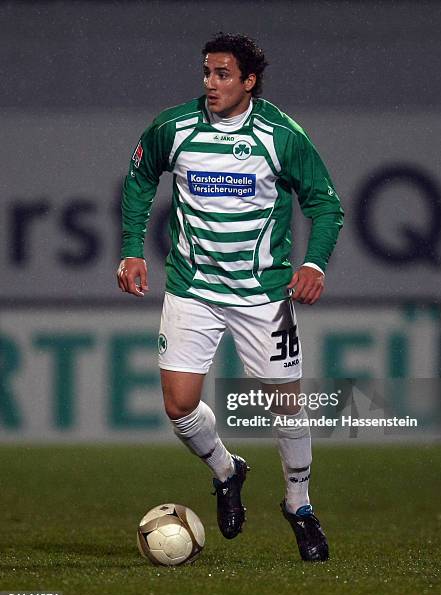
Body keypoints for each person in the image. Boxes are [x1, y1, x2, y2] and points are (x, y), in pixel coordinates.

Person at [117, 32, 343, 562]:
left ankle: (299, 505)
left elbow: (326, 204)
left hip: (263, 292)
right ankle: (226, 469)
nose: (210, 83)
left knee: (286, 403)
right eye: (206, 73)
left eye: (223, 74)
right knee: (178, 403)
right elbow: (139, 178)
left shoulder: (281, 135)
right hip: (193, 286)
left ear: (249, 81)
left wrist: (313, 263)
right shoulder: (173, 127)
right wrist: (131, 248)